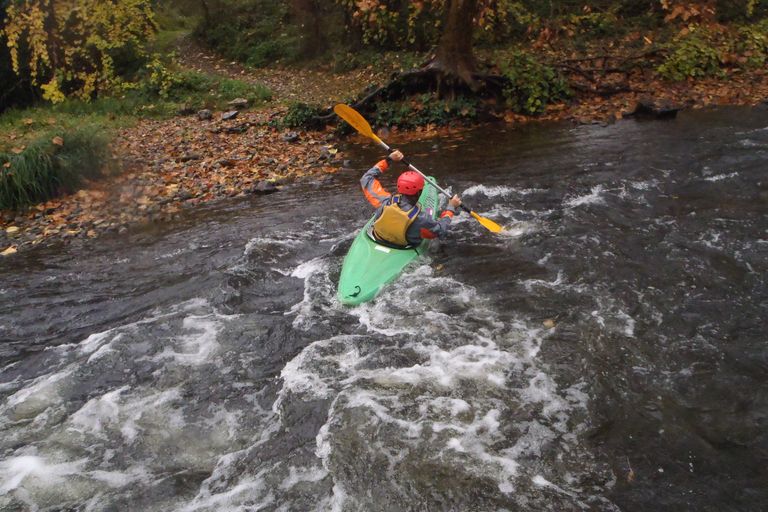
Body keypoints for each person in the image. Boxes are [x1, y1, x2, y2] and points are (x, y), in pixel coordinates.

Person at [360, 149, 462, 247]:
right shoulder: (421, 219)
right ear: (420, 191)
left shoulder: (384, 202)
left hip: (378, 238)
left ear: (399, 187)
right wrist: (450, 208)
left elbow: (366, 179)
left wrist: (389, 159)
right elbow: (441, 230)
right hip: (404, 246)